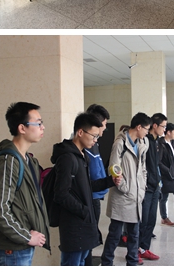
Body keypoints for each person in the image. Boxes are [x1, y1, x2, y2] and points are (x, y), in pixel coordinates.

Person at [51, 113, 120, 266]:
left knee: (81, 261)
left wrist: (110, 181)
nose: (96, 140)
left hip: (84, 223)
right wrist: (84, 211)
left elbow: (87, 186)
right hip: (74, 226)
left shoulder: (82, 156)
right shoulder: (67, 158)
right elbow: (61, 194)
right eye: (94, 136)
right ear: (80, 132)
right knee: (72, 263)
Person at [0, 102, 50, 266]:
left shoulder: (28, 160)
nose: (43, 127)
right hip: (13, 248)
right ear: (22, 128)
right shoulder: (8, 161)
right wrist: (26, 236)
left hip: (22, 245)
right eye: (38, 123)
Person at [101, 113, 151, 267]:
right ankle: (107, 263)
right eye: (146, 129)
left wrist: (142, 187)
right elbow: (113, 169)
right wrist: (126, 188)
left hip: (136, 196)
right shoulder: (120, 144)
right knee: (115, 234)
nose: (147, 132)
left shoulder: (142, 143)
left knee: (134, 234)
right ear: (139, 127)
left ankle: (132, 263)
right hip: (122, 197)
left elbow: (143, 168)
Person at [83, 103, 111, 266]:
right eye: (104, 124)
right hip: (91, 195)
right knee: (89, 232)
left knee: (92, 232)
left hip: (97, 192)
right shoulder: (86, 145)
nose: (105, 128)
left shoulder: (95, 143)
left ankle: (88, 259)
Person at [138, 113, 167, 261]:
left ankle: (144, 248)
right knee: (142, 221)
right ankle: (135, 250)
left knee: (151, 220)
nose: (164, 129)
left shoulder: (156, 142)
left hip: (155, 187)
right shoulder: (146, 141)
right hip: (147, 188)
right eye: (163, 126)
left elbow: (156, 166)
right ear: (154, 126)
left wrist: (158, 183)